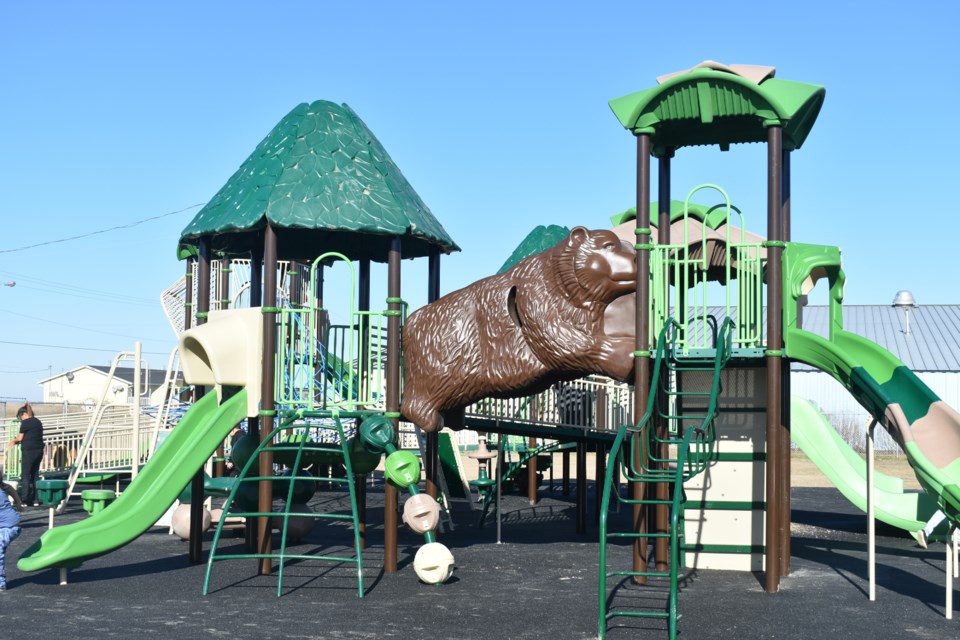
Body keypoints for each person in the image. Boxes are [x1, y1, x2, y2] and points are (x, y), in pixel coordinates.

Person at [7, 403, 44, 507]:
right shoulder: (38, 422)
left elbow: (20, 438)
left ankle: (24, 500)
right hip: (39, 450)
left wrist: (13, 441)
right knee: (35, 475)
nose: (21, 419)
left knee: (25, 475)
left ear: (23, 414)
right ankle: (36, 499)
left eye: (20, 416)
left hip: (29, 451)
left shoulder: (25, 423)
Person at [0, 464, 25, 591]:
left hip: (7, 528)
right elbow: (10, 488)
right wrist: (18, 503)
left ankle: (1, 583)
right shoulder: (2, 486)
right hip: (12, 524)